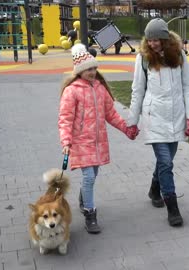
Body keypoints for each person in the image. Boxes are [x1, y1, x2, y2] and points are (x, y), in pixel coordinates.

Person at [58, 43, 139, 234]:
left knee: (93, 175)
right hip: (80, 142)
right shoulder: (72, 91)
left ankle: (82, 198)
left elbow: (111, 114)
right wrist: (66, 141)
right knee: (88, 177)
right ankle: (90, 213)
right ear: (79, 71)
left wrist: (126, 129)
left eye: (94, 68)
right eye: (88, 69)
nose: (92, 72)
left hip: (98, 142)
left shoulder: (100, 89)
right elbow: (65, 118)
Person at [128, 18, 189, 227]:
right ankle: (173, 208)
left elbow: (188, 88)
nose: (152, 44)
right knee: (166, 163)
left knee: (165, 162)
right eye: (149, 40)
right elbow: (137, 90)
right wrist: (132, 121)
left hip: (176, 116)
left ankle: (154, 188)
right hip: (154, 116)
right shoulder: (143, 58)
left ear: (165, 38)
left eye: (156, 40)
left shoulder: (179, 55)